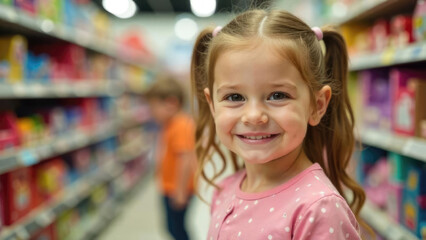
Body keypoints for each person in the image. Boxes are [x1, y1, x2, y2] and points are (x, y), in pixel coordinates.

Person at [190, 9, 372, 240]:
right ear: (212, 105)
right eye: (235, 97)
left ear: (316, 106)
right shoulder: (225, 189)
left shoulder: (318, 209)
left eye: (277, 95)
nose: (254, 116)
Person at [145, 75, 196, 240]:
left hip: (177, 189)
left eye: (153, 107)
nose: (151, 113)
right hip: (170, 186)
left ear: (171, 103)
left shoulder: (181, 125)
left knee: (177, 229)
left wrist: (180, 192)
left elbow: (186, 159)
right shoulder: (171, 124)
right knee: (172, 227)